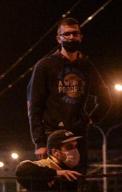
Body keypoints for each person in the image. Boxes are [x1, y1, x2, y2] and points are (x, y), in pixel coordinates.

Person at [27, 17, 110, 170]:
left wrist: (92, 119)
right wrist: (39, 143)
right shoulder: (45, 66)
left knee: (78, 180)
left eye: (75, 34)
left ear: (81, 37)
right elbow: (35, 106)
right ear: (59, 39)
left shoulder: (87, 67)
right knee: (54, 183)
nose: (71, 37)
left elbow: (106, 98)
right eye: (67, 34)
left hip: (78, 136)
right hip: (52, 136)